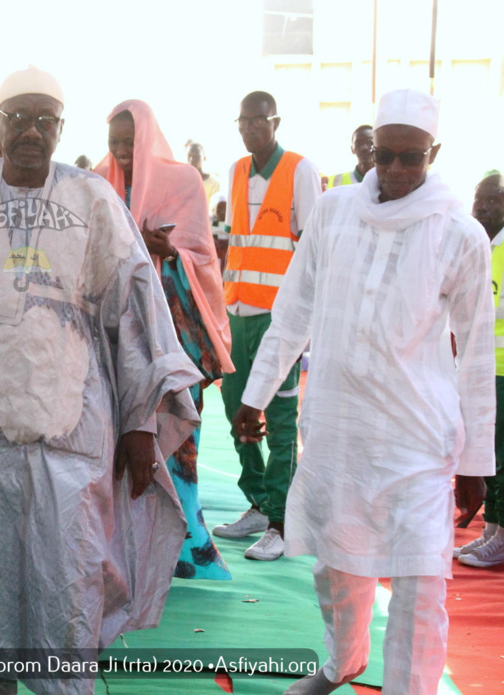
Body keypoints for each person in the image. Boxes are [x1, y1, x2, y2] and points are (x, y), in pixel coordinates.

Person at [0, 66, 200, 695]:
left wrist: (142, 422)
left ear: (60, 128)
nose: (31, 132)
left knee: (69, 588)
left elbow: (135, 311)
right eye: (18, 119)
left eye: (44, 121)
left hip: (73, 438)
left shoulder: (91, 200)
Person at [233, 89, 493, 694]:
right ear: (372, 149)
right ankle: (342, 662)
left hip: (418, 441)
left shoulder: (461, 234)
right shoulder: (333, 211)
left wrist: (479, 463)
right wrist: (256, 393)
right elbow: (293, 309)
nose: (398, 171)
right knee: (336, 566)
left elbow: (476, 353)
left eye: (412, 158)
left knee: (420, 586)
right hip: (338, 428)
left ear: (435, 152)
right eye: (387, 156)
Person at [95, 99, 234, 580]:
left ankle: (183, 547)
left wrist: (166, 250)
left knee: (177, 431)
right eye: (114, 143)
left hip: (175, 328)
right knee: (119, 433)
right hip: (118, 328)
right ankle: (126, 545)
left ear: (148, 138)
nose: (121, 152)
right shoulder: (98, 179)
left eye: (130, 143)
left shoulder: (183, 182)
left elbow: (200, 251)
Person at [214, 90, 321, 561]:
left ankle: (282, 521)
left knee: (277, 420)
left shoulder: (299, 170)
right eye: (243, 122)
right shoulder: (236, 171)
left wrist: (305, 322)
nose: (250, 129)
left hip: (279, 321)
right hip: (235, 315)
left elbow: (315, 250)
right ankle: (258, 502)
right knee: (236, 407)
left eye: (259, 121)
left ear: (274, 122)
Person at [455, 171, 504, 568]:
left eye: (495, 200)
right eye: (480, 199)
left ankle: (501, 537)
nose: (484, 207)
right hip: (479, 369)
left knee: (499, 455)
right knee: (487, 452)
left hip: (502, 369)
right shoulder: (478, 245)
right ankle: (491, 529)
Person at [186, 141, 219, 210]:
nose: (191, 159)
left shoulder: (214, 183)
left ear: (204, 158)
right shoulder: (181, 182)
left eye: (195, 156)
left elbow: (216, 210)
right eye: (189, 156)